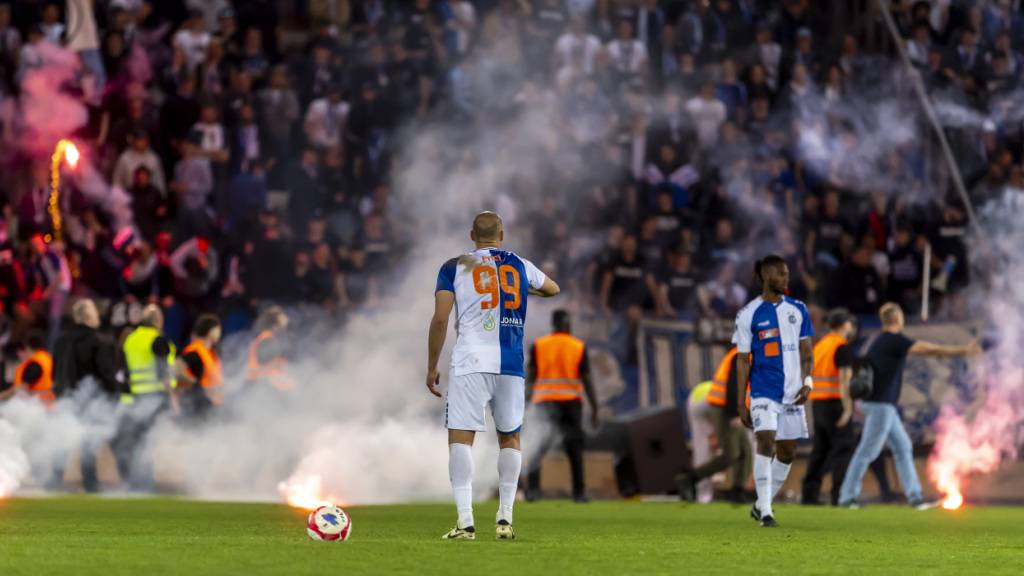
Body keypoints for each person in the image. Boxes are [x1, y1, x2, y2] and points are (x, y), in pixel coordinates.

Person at [427, 211, 560, 541]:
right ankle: (505, 519)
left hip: (471, 360)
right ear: (502, 234)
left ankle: (466, 522)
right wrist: (520, 292)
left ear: (472, 234)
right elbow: (553, 289)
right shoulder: (520, 265)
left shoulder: (454, 266)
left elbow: (441, 320)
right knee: (510, 437)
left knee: (461, 437)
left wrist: (431, 365)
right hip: (511, 363)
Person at [838, 303, 980, 509]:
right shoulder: (894, 341)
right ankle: (846, 497)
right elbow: (929, 349)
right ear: (897, 318)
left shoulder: (877, 340)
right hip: (881, 405)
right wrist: (963, 350)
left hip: (878, 404)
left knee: (903, 447)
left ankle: (915, 497)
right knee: (867, 451)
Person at [734, 255, 814, 528]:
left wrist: (808, 382)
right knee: (765, 442)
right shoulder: (748, 315)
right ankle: (767, 512)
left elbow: (807, 352)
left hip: (792, 392)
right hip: (763, 390)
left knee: (787, 452)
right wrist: (741, 402)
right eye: (781, 274)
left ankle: (759, 504)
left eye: (787, 273)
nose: (786, 278)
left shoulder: (799, 309)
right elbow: (742, 360)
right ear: (767, 276)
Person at [525, 309, 599, 503]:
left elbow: (530, 378)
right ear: (568, 324)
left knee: (538, 446)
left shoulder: (539, 345)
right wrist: (595, 408)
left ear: (553, 324)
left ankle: (532, 491)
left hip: (544, 402)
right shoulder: (578, 346)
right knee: (574, 448)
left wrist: (524, 403)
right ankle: (579, 493)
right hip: (571, 403)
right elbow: (587, 380)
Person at [52, 298, 120, 492]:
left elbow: (54, 371)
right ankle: (90, 485)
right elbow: (106, 375)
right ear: (91, 315)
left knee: (62, 443)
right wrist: (114, 396)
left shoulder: (60, 341)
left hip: (64, 399)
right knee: (89, 443)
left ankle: (52, 484)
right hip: (89, 401)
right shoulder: (98, 341)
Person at [677, 346, 752, 504]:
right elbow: (734, 384)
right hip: (718, 405)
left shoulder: (750, 355)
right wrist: (735, 413)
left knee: (744, 450)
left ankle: (737, 490)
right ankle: (690, 479)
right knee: (730, 453)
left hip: (713, 403)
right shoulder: (745, 354)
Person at [118, 304, 177, 490]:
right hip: (155, 397)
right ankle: (146, 482)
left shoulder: (130, 340)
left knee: (138, 441)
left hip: (135, 398)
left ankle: (136, 482)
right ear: (159, 321)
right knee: (149, 442)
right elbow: (163, 372)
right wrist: (173, 399)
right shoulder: (158, 340)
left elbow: (124, 372)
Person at [801, 308, 856, 505]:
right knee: (843, 449)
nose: (851, 327)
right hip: (836, 404)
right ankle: (839, 496)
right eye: (849, 323)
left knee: (820, 451)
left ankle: (809, 495)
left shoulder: (821, 345)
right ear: (843, 325)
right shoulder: (841, 346)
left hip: (819, 404)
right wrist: (848, 409)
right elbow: (844, 381)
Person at [176, 313, 223, 418]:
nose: (220, 333)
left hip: (211, 407)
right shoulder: (195, 351)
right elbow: (176, 369)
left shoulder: (209, 352)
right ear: (211, 331)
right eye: (218, 329)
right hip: (198, 409)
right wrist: (195, 384)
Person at [246, 305, 293, 391]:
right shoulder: (267, 339)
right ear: (275, 325)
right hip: (265, 384)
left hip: (260, 383)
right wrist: (281, 361)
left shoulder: (262, 337)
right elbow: (265, 364)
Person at [0, 332, 54, 406]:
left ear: (27, 347)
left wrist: (2, 396)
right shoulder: (45, 357)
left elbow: (21, 387)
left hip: (35, 404)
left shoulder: (34, 365)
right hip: (45, 402)